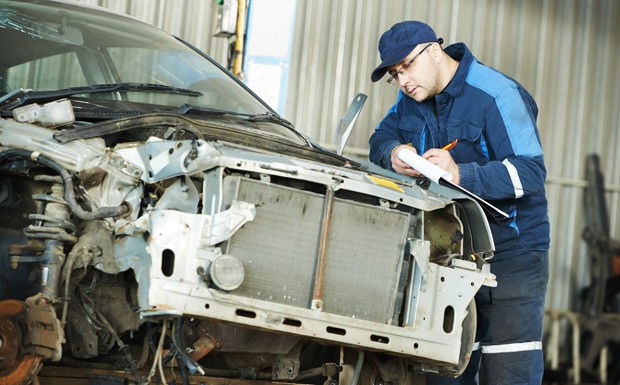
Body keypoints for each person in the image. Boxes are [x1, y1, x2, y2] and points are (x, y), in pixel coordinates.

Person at [368, 21, 550, 384]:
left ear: (434, 51)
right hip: (450, 253)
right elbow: (380, 137)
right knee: (447, 366)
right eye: (394, 74)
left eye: (407, 67)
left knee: (507, 371)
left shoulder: (497, 94)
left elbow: (530, 173)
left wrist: (461, 175)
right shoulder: (411, 101)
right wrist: (394, 151)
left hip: (511, 253)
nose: (402, 81)